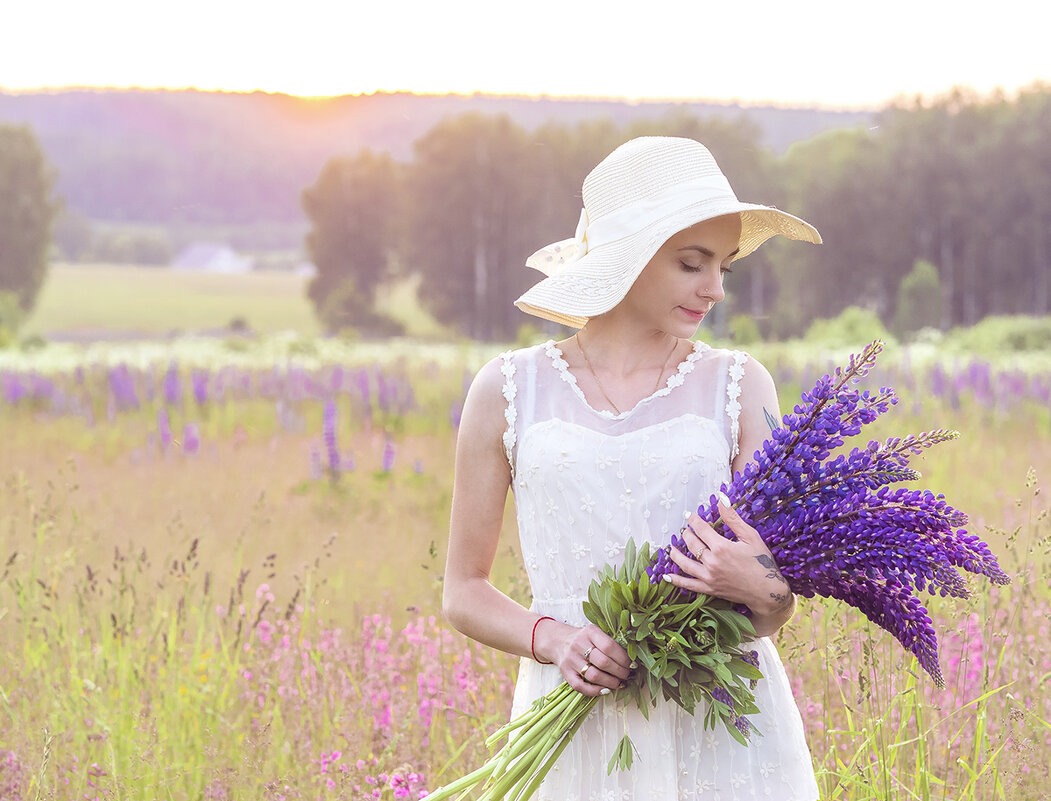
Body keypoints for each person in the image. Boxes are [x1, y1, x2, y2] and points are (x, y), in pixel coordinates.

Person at [443, 136, 822, 800]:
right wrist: (553, 639)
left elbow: (772, 607)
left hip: (719, 723)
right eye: (690, 263)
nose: (714, 289)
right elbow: (463, 590)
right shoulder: (507, 388)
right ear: (628, 258)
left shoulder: (739, 384)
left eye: (722, 268)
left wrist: (759, 584)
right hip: (573, 725)